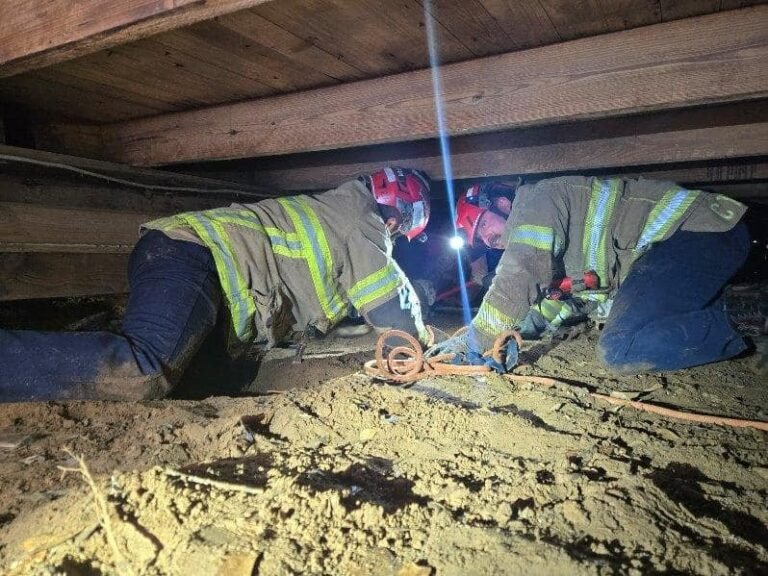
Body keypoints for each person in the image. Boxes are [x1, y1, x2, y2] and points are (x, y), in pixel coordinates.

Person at [0, 167, 431, 402]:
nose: (396, 233)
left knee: (200, 385)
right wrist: (420, 342)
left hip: (183, 260)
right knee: (145, 370)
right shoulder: (361, 220)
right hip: (193, 258)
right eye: (403, 226)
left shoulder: (338, 211)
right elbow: (391, 304)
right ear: (398, 214)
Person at [429, 175, 751, 375]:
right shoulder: (560, 245)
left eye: (483, 224)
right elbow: (564, 303)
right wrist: (517, 329)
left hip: (695, 231)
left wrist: (475, 338)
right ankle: (745, 312)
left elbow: (520, 273)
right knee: (644, 325)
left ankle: (753, 314)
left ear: (502, 203)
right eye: (480, 239)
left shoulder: (534, 201)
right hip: (687, 247)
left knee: (620, 348)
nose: (487, 239)